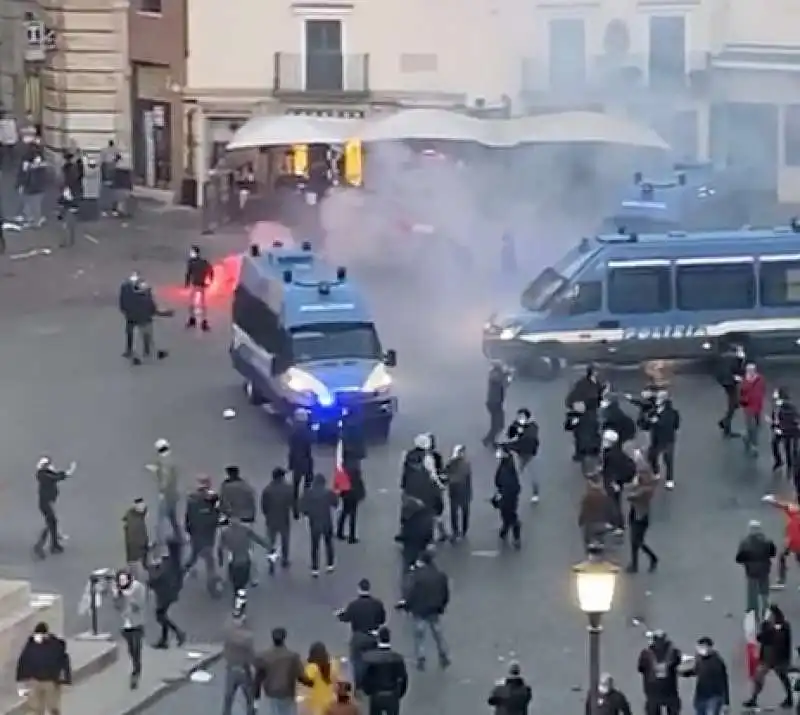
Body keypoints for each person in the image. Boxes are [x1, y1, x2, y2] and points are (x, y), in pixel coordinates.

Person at [398, 550, 451, 671]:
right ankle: (443, 655)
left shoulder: (416, 576)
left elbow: (411, 593)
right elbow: (445, 593)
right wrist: (442, 605)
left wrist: (406, 605)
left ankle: (421, 658)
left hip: (420, 610)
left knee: (419, 635)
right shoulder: (440, 575)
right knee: (438, 633)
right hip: (434, 609)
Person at [743, 604, 793, 710]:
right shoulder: (766, 625)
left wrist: (787, 658)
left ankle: (789, 698)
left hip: (779, 657)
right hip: (767, 656)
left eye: (769, 614)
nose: (768, 616)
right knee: (758, 677)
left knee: (783, 678)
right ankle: (753, 698)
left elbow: (786, 642)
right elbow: (761, 638)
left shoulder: (784, 626)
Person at [15, 622, 71, 715]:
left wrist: (66, 679)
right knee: (35, 708)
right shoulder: (31, 645)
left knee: (53, 707)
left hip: (50, 681)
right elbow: (23, 662)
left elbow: (63, 662)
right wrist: (21, 681)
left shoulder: (55, 645)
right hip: (34, 681)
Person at [253, 627, 312, 715]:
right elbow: (301, 677)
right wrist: (313, 683)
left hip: (271, 694)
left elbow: (258, 679)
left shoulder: (263, 656)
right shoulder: (293, 657)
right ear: (284, 638)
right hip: (287, 694)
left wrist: (256, 699)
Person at [336, 578, 386, 682]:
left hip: (358, 636)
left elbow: (346, 618)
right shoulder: (377, 604)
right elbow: (382, 620)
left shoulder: (353, 605)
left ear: (359, 589)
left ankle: (359, 684)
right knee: (372, 660)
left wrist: (339, 614)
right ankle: (371, 681)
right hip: (372, 635)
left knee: (357, 662)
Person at [118, 274, 169, 365]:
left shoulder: (133, 298)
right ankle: (146, 353)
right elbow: (152, 309)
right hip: (144, 320)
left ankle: (139, 355)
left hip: (138, 320)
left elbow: (125, 307)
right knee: (147, 337)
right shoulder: (145, 298)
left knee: (141, 338)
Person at [184, 476, 221, 594]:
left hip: (196, 535)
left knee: (194, 555)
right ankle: (213, 588)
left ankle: (182, 572)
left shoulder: (191, 500)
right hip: (208, 536)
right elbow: (215, 517)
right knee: (210, 562)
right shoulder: (212, 499)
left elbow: (188, 518)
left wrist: (189, 531)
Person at [33, 457, 75, 559]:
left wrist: (66, 473)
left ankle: (54, 545)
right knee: (50, 523)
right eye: (48, 464)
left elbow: (56, 475)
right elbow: (55, 477)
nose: (51, 465)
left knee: (52, 523)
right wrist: (68, 472)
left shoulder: (45, 474)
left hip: (48, 503)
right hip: (45, 504)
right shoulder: (43, 475)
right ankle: (41, 545)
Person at [736, 519, 777, 621]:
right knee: (764, 593)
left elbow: (739, 558)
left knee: (752, 594)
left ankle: (753, 613)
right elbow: (772, 553)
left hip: (751, 571)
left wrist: (747, 561)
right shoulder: (767, 541)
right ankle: (766, 612)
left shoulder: (744, 542)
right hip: (764, 570)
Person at [361, 626, 408, 715]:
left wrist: (368, 691)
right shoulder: (397, 658)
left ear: (379, 638)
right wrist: (399, 694)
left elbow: (365, 677)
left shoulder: (371, 658)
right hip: (392, 695)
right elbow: (403, 678)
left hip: (376, 695)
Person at [218, 516, 271, 595]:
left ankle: (235, 591)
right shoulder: (245, 530)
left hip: (233, 560)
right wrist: (267, 545)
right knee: (243, 581)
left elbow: (220, 547)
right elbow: (257, 538)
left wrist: (221, 560)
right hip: (245, 559)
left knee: (235, 580)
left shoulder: (226, 532)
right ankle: (244, 588)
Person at [112, 569, 147, 689]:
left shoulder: (138, 588)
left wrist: (129, 596)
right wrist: (117, 596)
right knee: (131, 649)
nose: (122, 582)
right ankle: (135, 665)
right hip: (125, 625)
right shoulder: (119, 592)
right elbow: (117, 607)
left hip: (137, 624)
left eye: (124, 579)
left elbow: (140, 605)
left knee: (136, 647)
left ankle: (136, 673)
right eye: (120, 580)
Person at [222, 595, 256, 715]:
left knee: (228, 698)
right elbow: (250, 649)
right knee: (250, 699)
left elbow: (228, 631)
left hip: (231, 667)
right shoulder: (247, 636)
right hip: (244, 669)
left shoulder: (228, 627)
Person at [336, 414, 367, 543]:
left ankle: (339, 531)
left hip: (345, 481)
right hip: (354, 483)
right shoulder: (358, 437)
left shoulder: (343, 438)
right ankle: (352, 535)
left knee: (345, 508)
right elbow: (362, 454)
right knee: (353, 511)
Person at [626, 453, 659, 573]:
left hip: (641, 516)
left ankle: (653, 558)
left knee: (637, 541)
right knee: (634, 542)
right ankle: (634, 565)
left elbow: (634, 496)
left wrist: (632, 491)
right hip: (636, 513)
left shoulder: (646, 489)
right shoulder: (642, 484)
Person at [301, 473, 338, 576]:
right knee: (328, 544)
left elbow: (303, 508)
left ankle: (315, 568)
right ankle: (330, 565)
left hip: (314, 522)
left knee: (315, 546)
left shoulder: (308, 493)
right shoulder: (328, 493)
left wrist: (308, 513)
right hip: (327, 522)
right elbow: (335, 504)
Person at [637, 629, 682, 715]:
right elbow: (678, 662)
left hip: (652, 691)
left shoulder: (646, 653)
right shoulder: (673, 651)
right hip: (670, 690)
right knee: (673, 710)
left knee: (653, 711)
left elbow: (640, 668)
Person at [680, 637, 729, 715]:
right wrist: (683, 673)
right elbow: (696, 670)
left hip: (714, 696)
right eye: (699, 647)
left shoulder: (717, 662)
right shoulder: (699, 658)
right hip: (700, 695)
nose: (700, 650)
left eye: (702, 647)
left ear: (710, 647)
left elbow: (724, 681)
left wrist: (726, 702)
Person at [147, 551, 185, 649]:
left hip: (164, 595)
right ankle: (165, 640)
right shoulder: (169, 564)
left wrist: (151, 568)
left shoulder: (160, 568)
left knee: (160, 616)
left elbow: (153, 581)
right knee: (162, 616)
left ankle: (178, 633)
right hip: (169, 593)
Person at [147, 439, 181, 544]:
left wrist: (162, 492)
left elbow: (165, 478)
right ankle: (180, 536)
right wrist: (156, 469)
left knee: (161, 519)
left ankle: (157, 541)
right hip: (173, 495)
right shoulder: (171, 459)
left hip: (166, 495)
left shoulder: (164, 461)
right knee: (172, 518)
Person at [601, 430, 635, 534]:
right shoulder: (615, 452)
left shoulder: (611, 454)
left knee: (614, 503)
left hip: (612, 481)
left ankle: (619, 525)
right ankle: (612, 521)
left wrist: (613, 482)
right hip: (614, 480)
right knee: (613, 501)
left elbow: (612, 469)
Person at [762, 494, 800, 588]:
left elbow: (782, 505)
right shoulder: (794, 511)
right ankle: (781, 581)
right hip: (793, 542)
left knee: (783, 557)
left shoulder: (794, 511)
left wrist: (771, 501)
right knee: (784, 557)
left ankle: (781, 580)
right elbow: (782, 505)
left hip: (793, 542)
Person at [261, 467, 294, 571]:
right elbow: (292, 502)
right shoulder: (288, 488)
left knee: (271, 541)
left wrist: (267, 514)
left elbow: (264, 505)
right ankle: (285, 560)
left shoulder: (267, 489)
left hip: (271, 519)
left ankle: (271, 560)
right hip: (284, 518)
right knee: (285, 540)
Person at [645, 391, 680, 490]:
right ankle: (656, 472)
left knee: (668, 459)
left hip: (667, 439)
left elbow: (674, 425)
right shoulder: (653, 411)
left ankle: (669, 480)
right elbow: (647, 422)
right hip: (655, 438)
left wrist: (657, 422)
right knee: (651, 455)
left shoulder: (671, 413)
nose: (657, 400)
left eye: (659, 399)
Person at [506, 408, 541, 503]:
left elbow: (530, 439)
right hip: (519, 454)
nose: (519, 419)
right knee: (514, 473)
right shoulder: (516, 424)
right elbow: (510, 435)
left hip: (530, 455)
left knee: (533, 475)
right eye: (518, 417)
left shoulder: (532, 426)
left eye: (522, 417)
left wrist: (521, 433)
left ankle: (535, 493)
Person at [493, 445, 521, 549]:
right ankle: (505, 531)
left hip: (508, 496)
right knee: (507, 515)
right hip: (509, 494)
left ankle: (515, 537)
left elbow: (505, 483)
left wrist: (500, 496)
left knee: (510, 515)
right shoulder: (507, 464)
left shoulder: (505, 468)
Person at [288, 409, 315, 519]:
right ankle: (305, 508)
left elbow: (291, 446)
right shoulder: (306, 431)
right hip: (306, 461)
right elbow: (311, 442)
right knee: (307, 486)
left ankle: (295, 510)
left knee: (295, 487)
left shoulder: (293, 430)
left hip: (295, 461)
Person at [579, 473, 614, 552]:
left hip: (591, 526)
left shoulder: (587, 498)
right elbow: (610, 510)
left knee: (588, 542)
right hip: (603, 525)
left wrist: (580, 521)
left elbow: (584, 512)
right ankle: (600, 546)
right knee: (600, 540)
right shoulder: (605, 497)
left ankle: (590, 552)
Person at [397, 493, 434, 570]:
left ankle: (410, 569)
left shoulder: (407, 513)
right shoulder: (426, 518)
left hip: (411, 544)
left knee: (409, 561)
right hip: (420, 541)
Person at [444, 445, 472, 541]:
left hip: (460, 492)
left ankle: (460, 531)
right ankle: (458, 531)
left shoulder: (465, 464)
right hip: (457, 492)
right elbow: (446, 472)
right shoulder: (454, 463)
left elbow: (460, 478)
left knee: (460, 513)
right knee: (456, 513)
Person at [717, 343, 745, 437]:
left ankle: (725, 423)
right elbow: (736, 370)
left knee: (734, 403)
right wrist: (735, 378)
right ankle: (726, 424)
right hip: (730, 382)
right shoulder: (733, 358)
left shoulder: (726, 357)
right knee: (733, 403)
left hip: (726, 382)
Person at [304, 642, 339, 715]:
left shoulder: (312, 668)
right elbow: (336, 684)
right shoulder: (333, 665)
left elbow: (306, 688)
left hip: (316, 706)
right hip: (331, 704)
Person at [184, 245, 214, 331]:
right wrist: (210, 281)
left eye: (192, 252)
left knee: (192, 304)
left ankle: (193, 319)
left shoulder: (191, 262)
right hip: (201, 285)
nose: (190, 254)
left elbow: (188, 274)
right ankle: (203, 322)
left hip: (195, 285)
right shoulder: (203, 262)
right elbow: (211, 270)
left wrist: (186, 284)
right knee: (202, 304)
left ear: (195, 253)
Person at [740, 362, 766, 457]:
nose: (751, 372)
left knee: (757, 425)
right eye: (749, 370)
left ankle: (746, 436)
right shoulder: (744, 381)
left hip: (758, 406)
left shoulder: (760, 379)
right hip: (749, 407)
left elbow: (763, 389)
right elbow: (742, 392)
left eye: (752, 370)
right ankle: (754, 445)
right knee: (752, 426)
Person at [483, 361, 509, 447]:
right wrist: (507, 375)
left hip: (496, 403)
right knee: (497, 425)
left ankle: (489, 440)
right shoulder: (495, 377)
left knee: (498, 425)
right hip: (495, 404)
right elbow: (503, 382)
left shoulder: (496, 375)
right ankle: (490, 441)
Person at [122, 498, 149, 577]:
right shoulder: (136, 522)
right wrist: (146, 546)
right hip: (137, 557)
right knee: (139, 578)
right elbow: (138, 540)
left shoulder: (132, 519)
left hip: (132, 557)